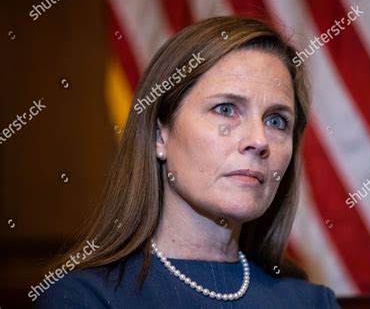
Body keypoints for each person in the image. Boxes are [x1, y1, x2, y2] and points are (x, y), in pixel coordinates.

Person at [35, 16, 340, 308]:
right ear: (159, 136)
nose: (259, 140)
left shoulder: (313, 302)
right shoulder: (83, 298)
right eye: (225, 109)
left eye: (276, 120)